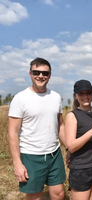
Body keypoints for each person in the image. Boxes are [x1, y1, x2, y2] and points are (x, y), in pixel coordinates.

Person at [8, 57, 66, 200]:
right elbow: (12, 133)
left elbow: (61, 126)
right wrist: (17, 163)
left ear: (50, 75)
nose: (41, 76)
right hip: (31, 155)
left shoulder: (56, 97)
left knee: (59, 193)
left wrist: (69, 148)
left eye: (45, 73)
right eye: (36, 72)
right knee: (34, 196)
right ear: (30, 74)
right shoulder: (20, 98)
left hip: (54, 153)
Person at [65, 79, 92, 200]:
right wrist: (91, 132)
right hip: (82, 167)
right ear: (75, 96)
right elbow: (71, 146)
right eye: (81, 94)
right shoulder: (72, 116)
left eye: (88, 93)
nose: (85, 96)